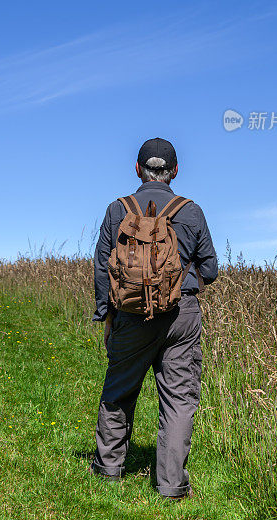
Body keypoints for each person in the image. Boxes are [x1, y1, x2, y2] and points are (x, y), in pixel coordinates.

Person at [89, 137, 219, 500]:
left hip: (129, 314)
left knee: (119, 389)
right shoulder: (191, 211)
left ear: (137, 169)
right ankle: (171, 486)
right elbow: (210, 268)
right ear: (175, 171)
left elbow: (103, 268)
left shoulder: (119, 209)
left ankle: (108, 469)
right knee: (178, 399)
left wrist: (107, 315)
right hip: (182, 314)